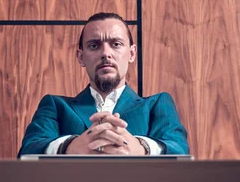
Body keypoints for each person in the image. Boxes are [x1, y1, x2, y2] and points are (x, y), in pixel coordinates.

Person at [17, 12, 189, 156]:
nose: (106, 53)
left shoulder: (157, 104)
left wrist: (141, 147)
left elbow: (180, 151)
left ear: (131, 53)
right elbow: (27, 152)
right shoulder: (55, 105)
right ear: (81, 56)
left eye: (116, 44)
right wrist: (69, 147)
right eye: (94, 45)